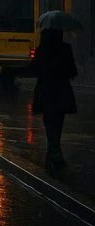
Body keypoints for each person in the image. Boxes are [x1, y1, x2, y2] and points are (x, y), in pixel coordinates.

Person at [31, 27, 78, 175]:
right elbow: (73, 71)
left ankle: (53, 154)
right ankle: (55, 154)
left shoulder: (42, 49)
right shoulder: (65, 48)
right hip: (61, 91)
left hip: (46, 91)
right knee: (58, 124)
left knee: (49, 124)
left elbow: (35, 70)